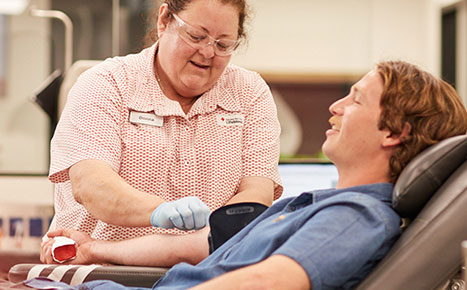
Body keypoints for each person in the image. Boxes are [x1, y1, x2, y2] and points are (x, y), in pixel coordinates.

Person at [31, 60, 467, 290]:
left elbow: (267, 282)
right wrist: (94, 249)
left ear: (395, 132)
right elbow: (207, 244)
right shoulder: (322, 205)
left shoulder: (357, 216)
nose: (335, 108)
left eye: (354, 100)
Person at [46, 0, 282, 266]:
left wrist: (190, 244)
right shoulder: (107, 83)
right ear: (164, 21)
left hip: (203, 276)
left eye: (223, 44)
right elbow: (92, 186)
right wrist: (158, 211)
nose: (207, 52)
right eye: (196, 36)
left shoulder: (249, 93)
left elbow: (256, 196)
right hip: (101, 273)